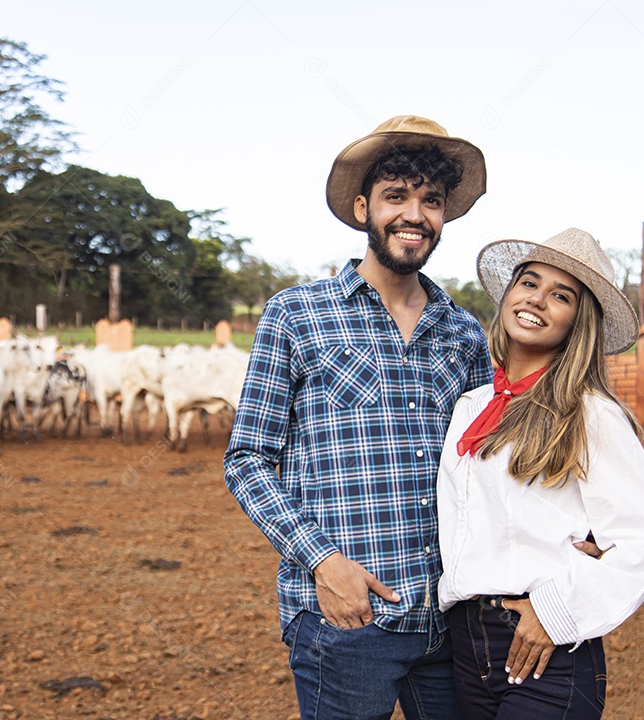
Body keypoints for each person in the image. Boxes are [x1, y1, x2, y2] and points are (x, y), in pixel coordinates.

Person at [224, 115, 495, 720]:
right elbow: (246, 460)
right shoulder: (298, 315)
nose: (415, 214)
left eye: (431, 200)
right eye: (396, 195)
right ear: (361, 206)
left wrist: (567, 535)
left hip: (449, 616)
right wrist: (323, 562)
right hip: (346, 618)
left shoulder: (464, 334)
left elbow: (488, 466)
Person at [436, 228, 644, 720]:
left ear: (578, 322)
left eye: (560, 295)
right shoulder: (471, 406)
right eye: (529, 282)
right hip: (466, 648)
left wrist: (553, 611)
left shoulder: (588, 414)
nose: (537, 300)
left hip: (545, 648)